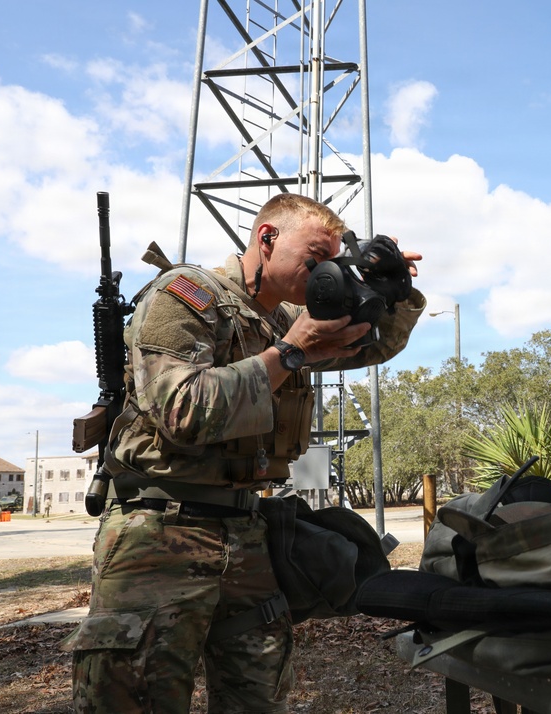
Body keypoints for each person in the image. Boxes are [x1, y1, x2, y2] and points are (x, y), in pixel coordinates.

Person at [64, 193, 426, 713]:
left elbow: (369, 345)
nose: (323, 271)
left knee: (258, 698)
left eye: (331, 261)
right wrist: (290, 352)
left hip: (247, 533)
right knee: (134, 697)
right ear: (267, 237)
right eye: (314, 258)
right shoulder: (187, 297)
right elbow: (182, 410)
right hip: (159, 534)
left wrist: (394, 291)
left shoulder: (280, 320)